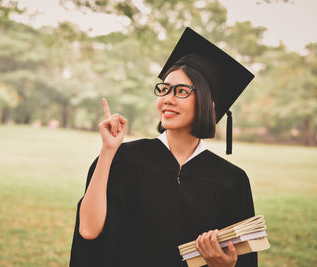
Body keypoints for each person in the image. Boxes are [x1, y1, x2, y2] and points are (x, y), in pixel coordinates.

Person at [69, 27, 257, 267]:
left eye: (180, 91)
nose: (167, 98)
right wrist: (108, 150)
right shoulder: (124, 158)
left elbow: (244, 261)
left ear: (208, 104)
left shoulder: (232, 180)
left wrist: (225, 265)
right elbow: (88, 230)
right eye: (164, 89)